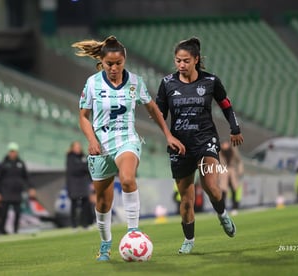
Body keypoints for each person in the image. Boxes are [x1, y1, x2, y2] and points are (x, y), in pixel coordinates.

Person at [72, 35, 185, 261]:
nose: (114, 68)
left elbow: (152, 109)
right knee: (103, 203)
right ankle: (105, 245)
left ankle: (133, 231)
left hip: (127, 140)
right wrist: (92, 140)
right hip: (101, 146)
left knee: (127, 178)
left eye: (118, 63)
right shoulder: (92, 83)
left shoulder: (135, 82)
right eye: (109, 64)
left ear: (124, 61)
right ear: (101, 63)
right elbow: (84, 117)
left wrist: (168, 134)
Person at [155, 37, 244, 254]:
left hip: (205, 140)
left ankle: (222, 215)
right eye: (177, 60)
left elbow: (226, 105)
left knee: (211, 186)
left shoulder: (211, 81)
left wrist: (235, 128)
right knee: (186, 200)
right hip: (180, 146)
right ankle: (189, 240)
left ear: (196, 59)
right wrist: (168, 135)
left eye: (185, 60)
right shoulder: (167, 83)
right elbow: (158, 114)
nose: (181, 65)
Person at [0, 142, 36, 234]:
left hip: (17, 192)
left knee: (17, 212)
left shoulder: (20, 164)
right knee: (4, 213)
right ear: (8, 152)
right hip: (5, 192)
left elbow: (27, 177)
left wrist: (31, 187)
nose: (13, 153)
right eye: (11, 151)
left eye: (14, 151)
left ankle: (15, 230)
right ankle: (2, 230)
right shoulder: (3, 164)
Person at [66, 141, 93, 230]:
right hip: (74, 184)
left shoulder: (84, 156)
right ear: (72, 148)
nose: (78, 148)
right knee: (74, 204)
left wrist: (91, 181)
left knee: (85, 204)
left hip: (84, 184)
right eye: (76, 147)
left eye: (79, 146)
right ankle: (74, 225)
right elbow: (74, 170)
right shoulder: (70, 157)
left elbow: (89, 168)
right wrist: (83, 167)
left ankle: (85, 224)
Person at [219, 140, 244, 215]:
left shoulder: (233, 150)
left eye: (226, 144)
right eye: (223, 144)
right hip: (223, 173)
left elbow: (239, 161)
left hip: (233, 172)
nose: (225, 146)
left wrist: (240, 171)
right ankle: (223, 209)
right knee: (223, 191)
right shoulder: (219, 152)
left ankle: (235, 207)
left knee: (234, 190)